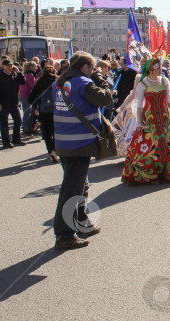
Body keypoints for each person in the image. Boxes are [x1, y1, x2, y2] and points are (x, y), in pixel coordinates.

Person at [52, 52, 113, 250]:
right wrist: (101, 80)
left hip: (64, 142)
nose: (93, 71)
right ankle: (64, 235)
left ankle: (81, 223)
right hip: (79, 143)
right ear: (85, 67)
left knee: (80, 185)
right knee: (72, 189)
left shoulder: (60, 83)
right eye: (92, 68)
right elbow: (105, 99)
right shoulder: (83, 83)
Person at [122, 58, 170, 184]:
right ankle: (150, 173)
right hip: (149, 120)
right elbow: (139, 105)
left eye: (161, 68)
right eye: (158, 68)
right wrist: (139, 123)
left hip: (164, 118)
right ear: (151, 69)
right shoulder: (142, 84)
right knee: (149, 145)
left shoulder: (164, 80)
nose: (161, 70)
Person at [0, 59, 27, 149]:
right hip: (3, 104)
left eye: (11, 65)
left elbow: (23, 82)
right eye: (8, 66)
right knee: (4, 124)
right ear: (3, 66)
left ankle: (16, 139)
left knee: (18, 121)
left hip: (14, 103)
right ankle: (6, 142)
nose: (10, 67)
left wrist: (19, 72)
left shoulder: (14, 74)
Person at [30, 66, 59, 163]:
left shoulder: (39, 82)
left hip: (44, 110)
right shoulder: (58, 81)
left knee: (46, 132)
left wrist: (36, 106)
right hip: (57, 110)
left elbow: (31, 97)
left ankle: (50, 150)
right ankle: (55, 150)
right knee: (56, 131)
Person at [20, 61, 37, 135]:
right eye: (35, 66)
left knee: (27, 112)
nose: (36, 68)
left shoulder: (25, 74)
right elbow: (33, 86)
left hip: (23, 95)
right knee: (28, 113)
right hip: (27, 95)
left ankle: (27, 128)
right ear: (30, 67)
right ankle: (26, 129)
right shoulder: (30, 75)